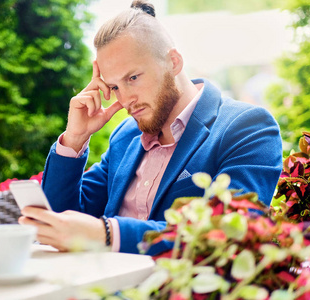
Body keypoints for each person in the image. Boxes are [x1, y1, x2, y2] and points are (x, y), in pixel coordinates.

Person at [19, 0, 283, 255]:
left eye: (132, 78)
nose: (124, 100)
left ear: (174, 62)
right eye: (114, 87)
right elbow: (61, 218)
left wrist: (107, 234)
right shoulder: (125, 136)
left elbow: (230, 232)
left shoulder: (248, 128)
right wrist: (76, 139)